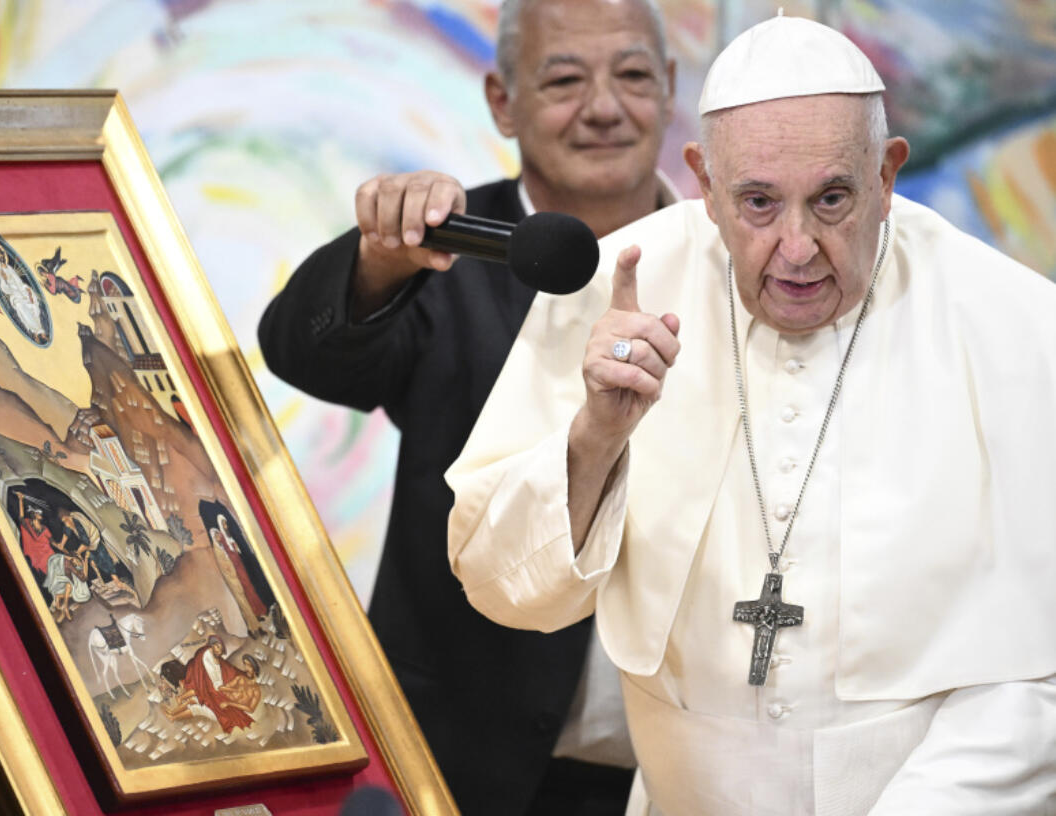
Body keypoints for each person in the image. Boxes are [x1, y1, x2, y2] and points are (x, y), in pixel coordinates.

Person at [447, 13, 1056, 815]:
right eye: (758, 203)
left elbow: (1036, 679)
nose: (797, 247)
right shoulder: (622, 286)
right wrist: (597, 435)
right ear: (703, 180)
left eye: (833, 198)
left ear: (887, 175)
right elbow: (500, 585)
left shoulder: (1015, 322)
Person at [258, 1, 678, 812]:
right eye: (564, 79)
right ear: (501, 101)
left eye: (631, 75)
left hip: (666, 775)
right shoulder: (443, 247)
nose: (603, 106)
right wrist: (380, 260)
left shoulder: (730, 259)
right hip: (458, 758)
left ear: (667, 88)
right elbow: (302, 349)